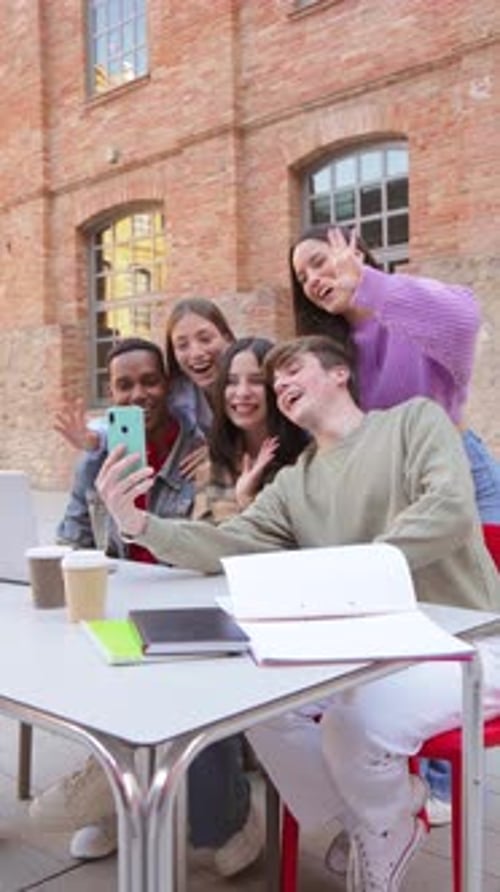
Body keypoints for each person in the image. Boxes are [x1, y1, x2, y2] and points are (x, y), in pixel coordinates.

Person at [94, 335, 500, 892]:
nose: (278, 383)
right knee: (256, 704)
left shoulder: (413, 422)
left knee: (353, 723)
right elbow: (227, 541)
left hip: (468, 643)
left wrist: (355, 571)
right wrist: (140, 525)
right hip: (366, 654)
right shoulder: (294, 483)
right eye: (273, 379)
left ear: (339, 375)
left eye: (291, 369)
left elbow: (452, 510)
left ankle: (381, 821)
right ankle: (372, 820)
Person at [290, 224, 500, 826]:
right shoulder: (334, 350)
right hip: (387, 490)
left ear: (354, 252)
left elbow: (465, 321)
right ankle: (407, 772)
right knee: (403, 618)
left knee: (468, 613)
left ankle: (441, 777)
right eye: (304, 275)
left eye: (320, 261)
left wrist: (372, 285)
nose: (314, 278)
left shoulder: (407, 308)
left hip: (459, 472)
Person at [30, 337, 262, 878]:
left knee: (181, 681)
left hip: (192, 609)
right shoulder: (98, 460)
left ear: (171, 384)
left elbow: (219, 544)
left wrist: (154, 520)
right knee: (78, 649)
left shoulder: (207, 454)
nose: (139, 395)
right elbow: (72, 537)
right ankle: (118, 792)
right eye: (124, 385)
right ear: (111, 393)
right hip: (119, 608)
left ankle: (220, 818)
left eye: (150, 381)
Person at [192, 336, 309, 523]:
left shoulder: (307, 459)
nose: (242, 392)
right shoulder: (212, 464)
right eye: (231, 381)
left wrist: (248, 501)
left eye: (256, 381)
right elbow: (204, 541)